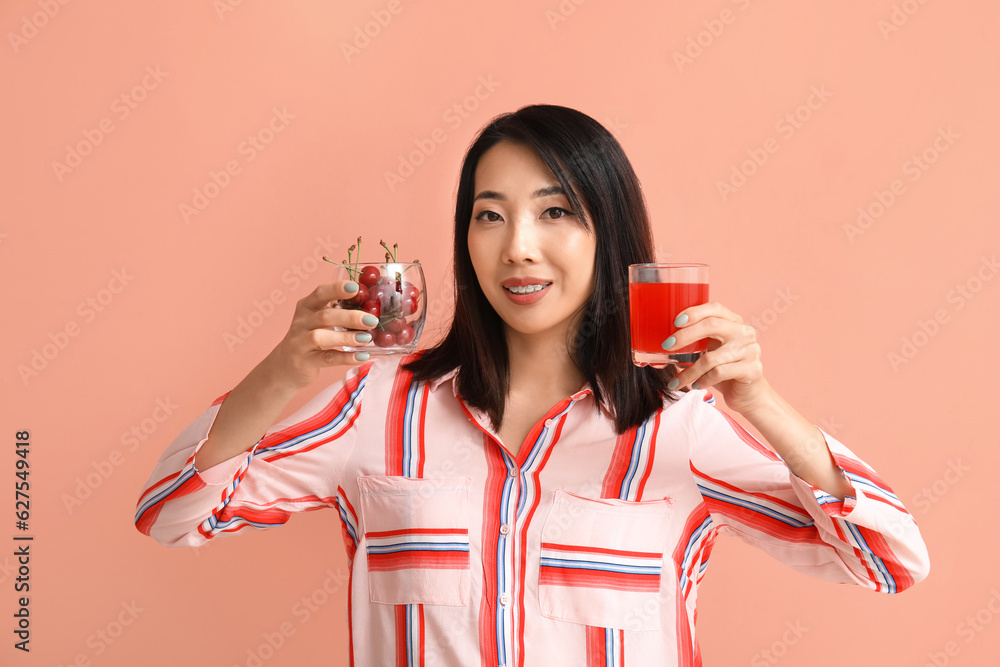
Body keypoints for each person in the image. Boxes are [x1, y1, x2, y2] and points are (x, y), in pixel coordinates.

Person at [135, 104, 930, 666]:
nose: (518, 247)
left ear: (607, 233)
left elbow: (891, 560)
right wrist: (285, 370)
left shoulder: (679, 426)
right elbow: (171, 513)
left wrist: (757, 400)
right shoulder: (374, 408)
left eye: (556, 213)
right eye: (490, 215)